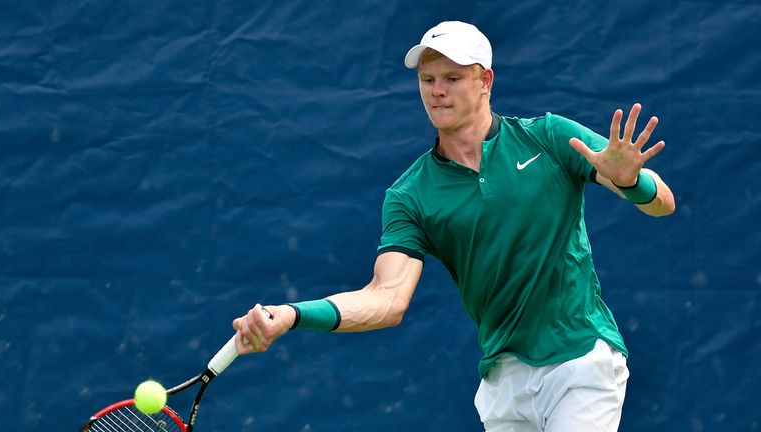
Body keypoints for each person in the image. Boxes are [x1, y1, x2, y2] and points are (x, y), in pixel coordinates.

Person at [232, 21, 675, 432]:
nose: (437, 92)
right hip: (504, 380)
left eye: (452, 78)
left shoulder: (550, 138)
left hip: (581, 359)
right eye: (428, 81)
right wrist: (292, 315)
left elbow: (663, 203)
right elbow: (387, 300)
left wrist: (629, 180)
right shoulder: (410, 195)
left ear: (485, 82)